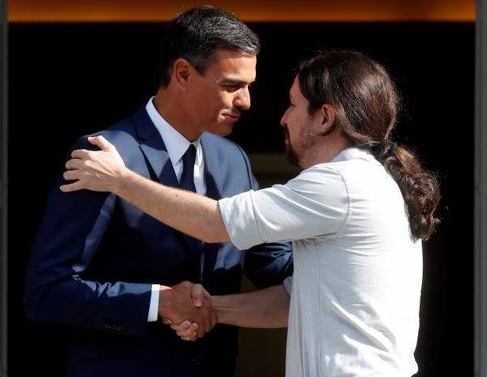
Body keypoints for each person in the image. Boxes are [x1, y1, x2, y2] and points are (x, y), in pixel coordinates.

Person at [60, 50, 441, 377]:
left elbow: (213, 222)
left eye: (292, 105)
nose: (282, 118)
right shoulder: (368, 180)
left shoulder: (339, 183)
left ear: (325, 118)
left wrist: (121, 179)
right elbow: (291, 300)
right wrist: (203, 308)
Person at [24, 6, 292, 377]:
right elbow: (48, 292)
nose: (246, 102)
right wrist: (156, 302)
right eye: (231, 86)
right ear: (182, 73)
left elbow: (273, 263)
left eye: (249, 87)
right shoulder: (103, 155)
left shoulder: (234, 160)